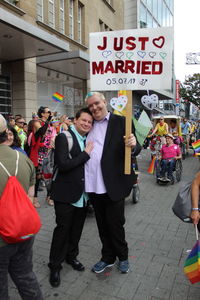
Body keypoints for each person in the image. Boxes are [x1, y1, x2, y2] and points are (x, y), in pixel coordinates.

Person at [84, 92, 141, 274]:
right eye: (91, 105)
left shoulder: (121, 122)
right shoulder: (88, 123)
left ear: (104, 102)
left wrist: (134, 144)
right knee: (101, 225)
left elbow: (137, 147)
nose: (94, 108)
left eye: (97, 103)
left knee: (115, 224)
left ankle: (122, 256)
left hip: (113, 184)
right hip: (93, 184)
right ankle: (107, 257)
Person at [48, 108, 94, 288]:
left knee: (76, 230)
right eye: (83, 120)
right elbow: (64, 165)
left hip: (83, 195)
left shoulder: (88, 139)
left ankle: (71, 257)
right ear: (75, 120)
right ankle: (55, 265)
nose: (86, 124)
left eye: (90, 122)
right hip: (65, 194)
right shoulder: (64, 137)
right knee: (62, 231)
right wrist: (85, 154)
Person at [0, 114, 43, 300]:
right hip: (24, 231)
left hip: (1, 239)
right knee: (25, 276)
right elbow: (31, 196)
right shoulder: (22, 157)